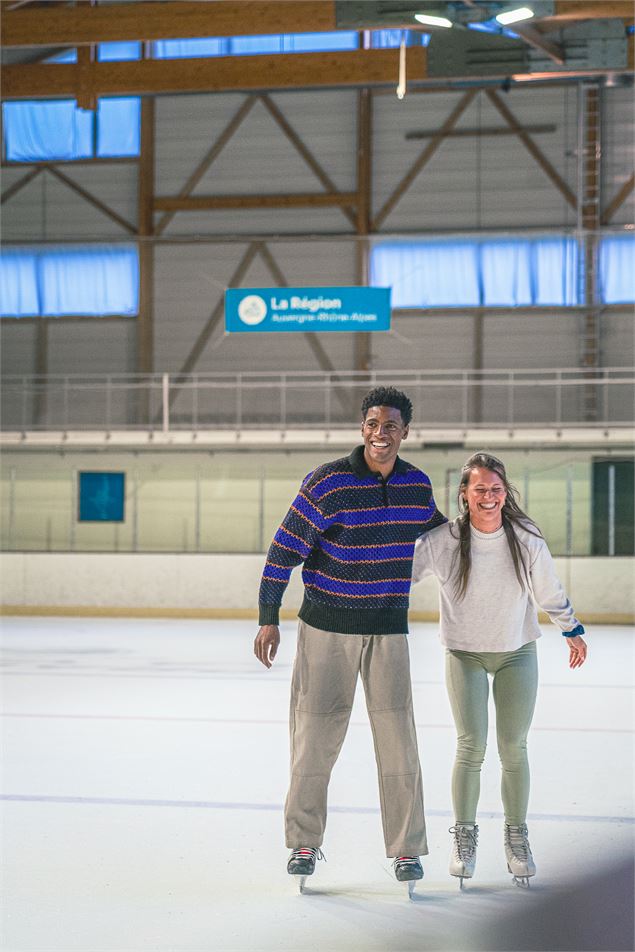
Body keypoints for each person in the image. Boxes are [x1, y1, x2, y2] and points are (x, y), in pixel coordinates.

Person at [254, 386, 446, 891]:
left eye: (390, 426)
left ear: (405, 432)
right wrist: (268, 616)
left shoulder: (416, 486)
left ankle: (406, 849)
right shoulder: (328, 482)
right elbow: (282, 551)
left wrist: (494, 534)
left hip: (388, 628)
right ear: (362, 428)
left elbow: (444, 540)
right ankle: (303, 842)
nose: (380, 434)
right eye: (373, 424)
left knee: (399, 742)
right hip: (327, 628)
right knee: (314, 740)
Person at [411, 451, 588, 888]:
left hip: (516, 652)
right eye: (480, 489)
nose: (488, 496)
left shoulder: (525, 538)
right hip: (464, 654)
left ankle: (516, 836)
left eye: (495, 489)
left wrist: (571, 628)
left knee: (513, 747)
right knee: (471, 746)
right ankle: (464, 837)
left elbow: (548, 589)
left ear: (505, 493)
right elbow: (399, 576)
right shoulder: (442, 541)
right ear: (464, 494)